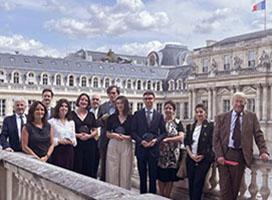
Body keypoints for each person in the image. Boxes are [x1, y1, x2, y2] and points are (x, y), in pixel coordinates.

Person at [213, 92, 269, 200]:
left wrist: (263, 151)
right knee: (224, 189)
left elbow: (258, 135)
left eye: (241, 101)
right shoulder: (221, 117)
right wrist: (219, 155)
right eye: (236, 101)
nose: (239, 104)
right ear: (232, 103)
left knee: (234, 190)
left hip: (240, 156)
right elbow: (216, 139)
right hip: (224, 155)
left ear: (245, 103)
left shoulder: (251, 117)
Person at [131, 91, 167, 194]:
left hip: (153, 149)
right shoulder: (137, 114)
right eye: (146, 98)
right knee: (142, 176)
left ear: (154, 100)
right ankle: (142, 196)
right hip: (141, 148)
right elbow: (133, 131)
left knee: (153, 176)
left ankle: (152, 196)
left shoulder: (159, 115)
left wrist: (156, 140)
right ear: (143, 100)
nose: (148, 100)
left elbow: (164, 133)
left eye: (150, 98)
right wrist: (141, 141)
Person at [184, 104, 214, 200]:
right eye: (197, 112)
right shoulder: (190, 127)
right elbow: (187, 143)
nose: (199, 114)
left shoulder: (210, 127)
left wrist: (203, 156)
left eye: (201, 112)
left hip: (203, 161)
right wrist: (191, 155)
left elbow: (211, 144)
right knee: (191, 184)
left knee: (198, 184)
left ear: (205, 113)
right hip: (190, 159)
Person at [157, 100, 185, 198]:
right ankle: (161, 196)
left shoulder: (178, 122)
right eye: (166, 108)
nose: (168, 110)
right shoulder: (160, 121)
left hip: (173, 155)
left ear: (174, 110)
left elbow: (181, 137)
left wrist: (168, 139)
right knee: (160, 176)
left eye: (170, 108)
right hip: (161, 154)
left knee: (170, 178)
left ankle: (166, 196)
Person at [106, 95, 133, 190]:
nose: (119, 105)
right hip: (113, 142)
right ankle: (112, 192)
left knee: (125, 169)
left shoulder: (131, 118)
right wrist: (115, 135)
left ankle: (124, 193)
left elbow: (134, 134)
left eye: (121, 103)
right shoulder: (111, 118)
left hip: (126, 144)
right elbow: (107, 133)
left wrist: (125, 137)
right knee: (112, 169)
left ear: (125, 104)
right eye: (117, 103)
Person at [71, 93, 99, 178]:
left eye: (86, 100)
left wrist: (89, 136)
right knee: (77, 167)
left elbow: (95, 130)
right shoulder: (71, 114)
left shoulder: (91, 115)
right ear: (78, 101)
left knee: (89, 167)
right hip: (77, 144)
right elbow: (68, 130)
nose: (84, 102)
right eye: (82, 99)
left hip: (89, 144)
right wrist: (77, 135)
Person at [97, 85, 120, 181]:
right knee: (104, 163)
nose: (112, 95)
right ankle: (103, 183)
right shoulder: (103, 107)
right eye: (110, 93)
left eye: (114, 93)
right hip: (104, 138)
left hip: (117, 138)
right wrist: (102, 119)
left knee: (117, 163)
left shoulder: (122, 106)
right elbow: (97, 122)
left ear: (118, 94)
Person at [48, 99, 77, 170]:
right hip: (57, 150)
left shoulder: (71, 122)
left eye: (66, 106)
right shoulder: (51, 122)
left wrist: (71, 141)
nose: (64, 108)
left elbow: (75, 140)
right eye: (62, 106)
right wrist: (59, 141)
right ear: (58, 108)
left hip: (69, 150)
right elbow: (49, 139)